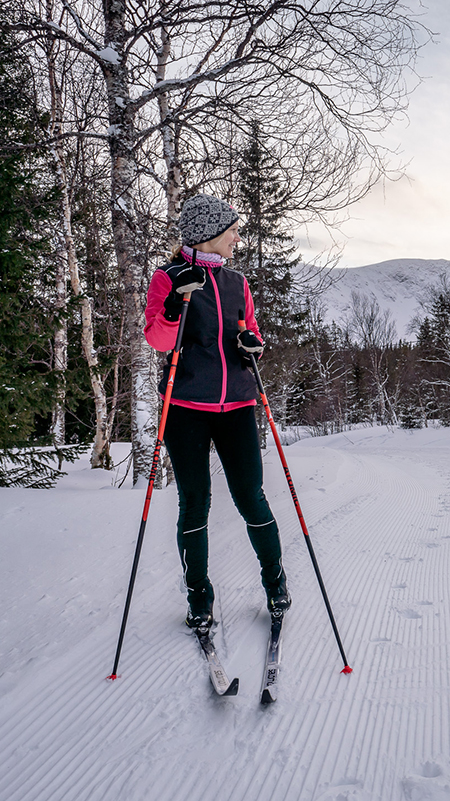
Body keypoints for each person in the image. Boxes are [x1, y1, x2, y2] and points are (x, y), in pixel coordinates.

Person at [143, 193, 290, 629]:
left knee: (251, 497)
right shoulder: (168, 277)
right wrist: (174, 307)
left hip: (238, 405)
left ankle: (276, 582)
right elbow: (158, 339)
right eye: (233, 232)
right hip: (186, 407)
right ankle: (198, 597)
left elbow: (251, 332)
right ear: (209, 233)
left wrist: (252, 347)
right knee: (195, 503)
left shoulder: (236, 282)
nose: (238, 239)